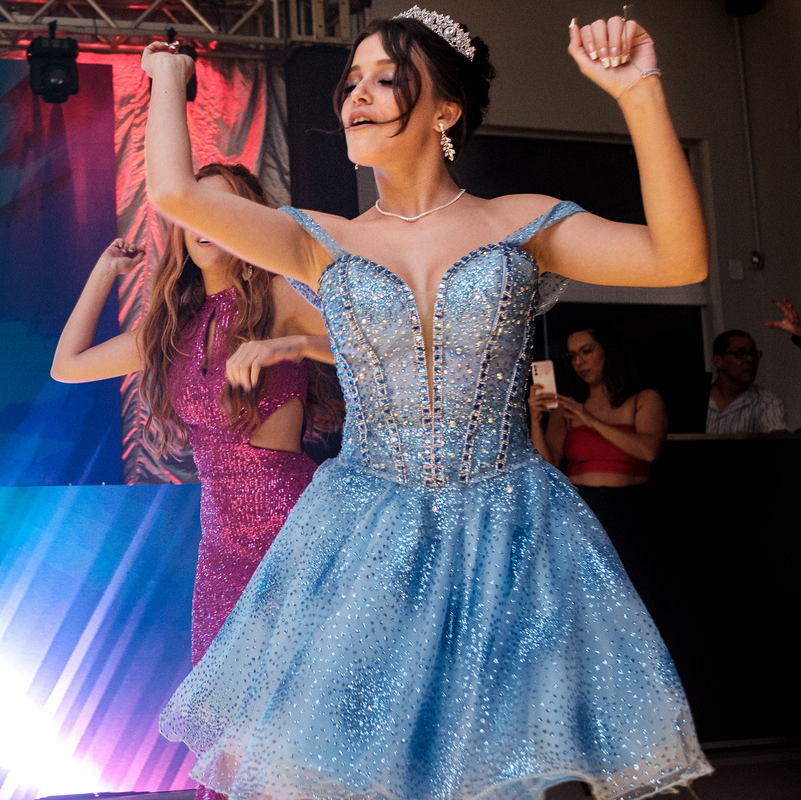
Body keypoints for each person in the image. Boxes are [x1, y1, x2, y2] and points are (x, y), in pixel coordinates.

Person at [144, 9, 711, 800]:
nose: (356, 96)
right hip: (365, 535)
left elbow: (679, 259)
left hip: (510, 530)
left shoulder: (520, 225)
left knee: (500, 771)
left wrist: (638, 92)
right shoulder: (320, 240)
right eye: (351, 82)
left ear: (445, 110)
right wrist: (167, 76)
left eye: (385, 80)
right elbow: (174, 193)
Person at [52, 163, 340, 684]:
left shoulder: (280, 296)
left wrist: (295, 344)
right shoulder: (171, 328)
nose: (204, 220)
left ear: (247, 219)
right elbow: (67, 366)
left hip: (294, 531)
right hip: (220, 547)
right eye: (193, 209)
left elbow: (378, 344)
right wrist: (104, 271)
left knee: (300, 700)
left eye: (220, 206)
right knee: (224, 712)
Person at [529, 324, 670, 621]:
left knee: (636, 598)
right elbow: (548, 464)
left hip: (630, 508)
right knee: (584, 604)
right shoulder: (568, 406)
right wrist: (536, 419)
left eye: (587, 351)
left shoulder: (644, 398)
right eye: (572, 356)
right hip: (581, 509)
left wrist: (590, 420)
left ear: (608, 351)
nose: (579, 362)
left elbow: (648, 450)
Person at [707, 328, 786, 434]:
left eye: (753, 353)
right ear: (717, 361)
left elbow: (778, 441)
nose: (750, 359)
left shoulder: (766, 402)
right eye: (740, 353)